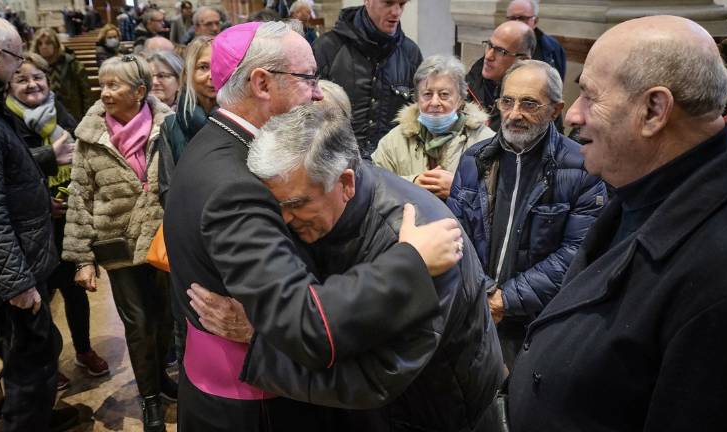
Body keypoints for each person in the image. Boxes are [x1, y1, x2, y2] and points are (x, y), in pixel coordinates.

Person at [163, 21, 463, 431]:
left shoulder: (214, 140)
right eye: (308, 78)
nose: (319, 92)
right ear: (262, 83)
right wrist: (409, 262)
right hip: (254, 407)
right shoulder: (239, 182)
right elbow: (304, 324)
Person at [191, 102, 506, 431]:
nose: (283, 219)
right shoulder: (327, 209)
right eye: (276, 205)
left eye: (297, 204)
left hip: (434, 415)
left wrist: (261, 340)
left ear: (345, 183)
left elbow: (374, 378)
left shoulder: (423, 241)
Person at [507, 15, 727, 432]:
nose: (573, 116)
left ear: (653, 110)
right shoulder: (634, 186)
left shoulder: (723, 272)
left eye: (589, 96)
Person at [447, 60, 606, 369]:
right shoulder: (474, 160)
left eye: (529, 103)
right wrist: (483, 294)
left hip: (540, 324)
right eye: (507, 101)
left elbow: (577, 253)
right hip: (476, 314)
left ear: (555, 109)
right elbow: (455, 235)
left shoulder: (582, 167)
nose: (514, 113)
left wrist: (505, 299)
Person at [0, 15, 78, 431]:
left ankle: (39, 418)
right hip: (8, 268)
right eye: (17, 58)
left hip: (12, 258)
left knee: (37, 352)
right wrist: (16, 282)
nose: (22, 69)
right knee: (29, 369)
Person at [62, 55, 175, 432]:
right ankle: (150, 399)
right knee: (139, 324)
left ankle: (160, 377)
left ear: (140, 91)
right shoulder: (90, 134)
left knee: (163, 319)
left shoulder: (167, 124)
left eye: (114, 85)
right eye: (103, 84)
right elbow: (80, 197)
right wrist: (82, 259)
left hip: (160, 239)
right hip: (117, 245)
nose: (105, 92)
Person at [5, 52, 110, 389]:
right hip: (35, 226)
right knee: (43, 299)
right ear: (9, 85)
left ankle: (83, 349)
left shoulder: (59, 109)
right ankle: (51, 361)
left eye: (38, 77)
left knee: (76, 292)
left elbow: (81, 153)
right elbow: (8, 172)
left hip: (68, 221)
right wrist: (40, 202)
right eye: (22, 79)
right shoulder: (8, 119)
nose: (32, 84)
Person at [373, 54, 494, 200]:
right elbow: (374, 185)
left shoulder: (486, 142)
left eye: (444, 94)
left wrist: (458, 189)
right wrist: (413, 184)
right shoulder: (394, 141)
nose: (435, 102)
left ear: (460, 98)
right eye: (427, 94)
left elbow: (498, 197)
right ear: (417, 98)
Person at [314, 0, 422, 158]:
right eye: (388, 3)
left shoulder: (411, 55)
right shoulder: (327, 48)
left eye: (402, 4)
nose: (396, 11)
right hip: (333, 164)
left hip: (388, 167)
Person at [159, 35, 215, 204]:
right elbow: (166, 189)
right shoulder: (171, 126)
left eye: (218, 66)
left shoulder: (239, 118)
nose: (212, 75)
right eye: (203, 67)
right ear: (188, 74)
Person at [465, 21, 533, 132]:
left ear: (523, 61)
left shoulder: (535, 104)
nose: (488, 56)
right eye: (489, 45)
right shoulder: (468, 83)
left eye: (501, 51)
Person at [31, 27, 96, 121]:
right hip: (44, 117)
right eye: (40, 44)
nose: (44, 46)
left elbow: (86, 95)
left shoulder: (72, 64)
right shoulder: (34, 67)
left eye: (48, 43)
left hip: (72, 115)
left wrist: (87, 118)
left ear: (56, 45)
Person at [505, 0, 566, 80]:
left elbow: (557, 83)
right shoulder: (496, 44)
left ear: (535, 21)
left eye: (522, 18)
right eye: (512, 18)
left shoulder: (553, 47)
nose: (517, 23)